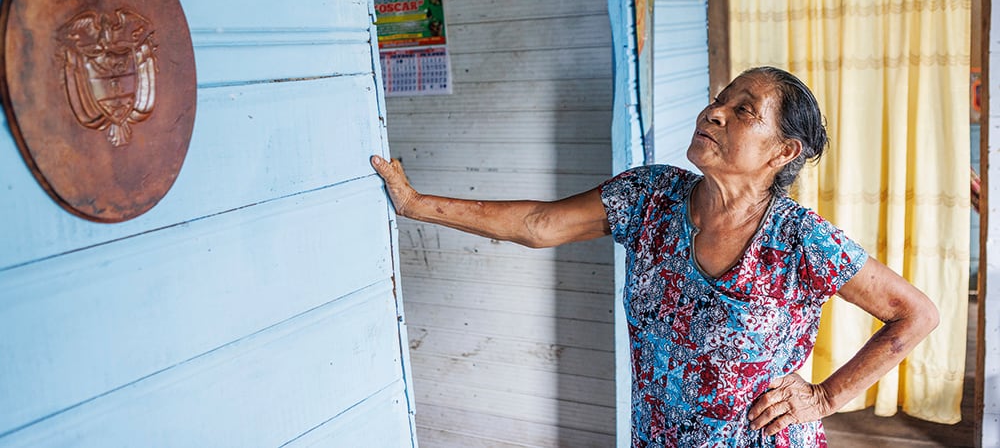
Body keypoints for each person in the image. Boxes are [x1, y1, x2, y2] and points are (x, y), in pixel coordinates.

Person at [370, 66, 939, 447]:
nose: (714, 112)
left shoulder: (799, 239)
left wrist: (825, 397)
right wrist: (416, 205)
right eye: (718, 99)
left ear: (783, 151)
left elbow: (916, 314)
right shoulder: (651, 197)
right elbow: (539, 225)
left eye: (743, 110)